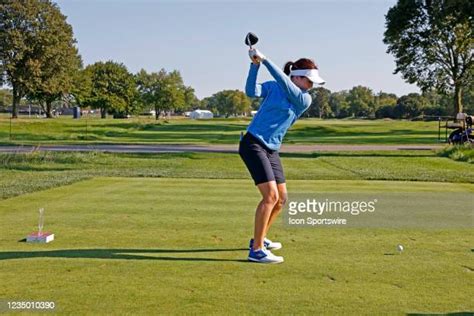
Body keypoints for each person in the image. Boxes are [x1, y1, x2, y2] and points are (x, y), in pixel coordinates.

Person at [239, 48, 325, 264]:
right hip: (253, 143)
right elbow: (252, 91)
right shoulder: (275, 87)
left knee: (281, 199)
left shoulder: (304, 99)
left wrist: (266, 59)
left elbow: (285, 84)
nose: (312, 85)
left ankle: (259, 238)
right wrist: (255, 65)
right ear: (296, 76)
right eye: (308, 80)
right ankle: (257, 250)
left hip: (271, 148)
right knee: (270, 197)